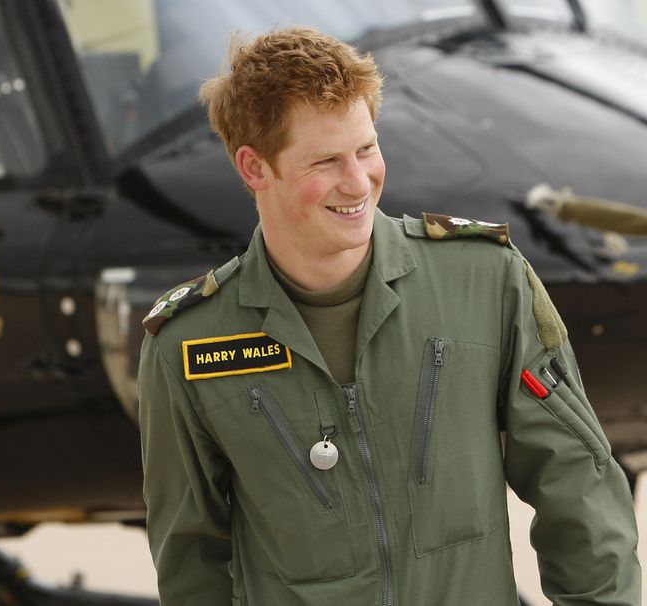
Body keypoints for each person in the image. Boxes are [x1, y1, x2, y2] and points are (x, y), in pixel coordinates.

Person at [137, 26, 640, 605]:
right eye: (325, 160)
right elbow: (190, 559)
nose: (358, 182)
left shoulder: (484, 282)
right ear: (254, 167)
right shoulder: (189, 342)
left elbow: (574, 482)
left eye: (367, 149)